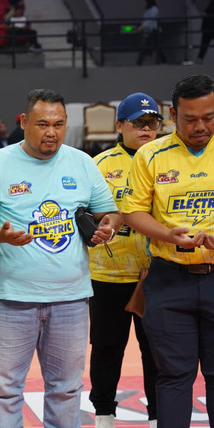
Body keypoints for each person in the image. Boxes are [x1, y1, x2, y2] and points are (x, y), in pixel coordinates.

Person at [0, 88, 121, 428]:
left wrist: (108, 227)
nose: (51, 132)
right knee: (5, 391)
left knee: (66, 390)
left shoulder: (82, 162)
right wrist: (1, 235)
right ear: (23, 123)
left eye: (58, 124)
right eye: (42, 124)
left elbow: (110, 213)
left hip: (70, 299)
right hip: (10, 299)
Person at [121, 74, 214, 427]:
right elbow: (132, 211)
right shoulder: (150, 155)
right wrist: (169, 235)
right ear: (173, 115)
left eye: (209, 116)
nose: (201, 126)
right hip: (169, 280)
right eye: (191, 119)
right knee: (174, 376)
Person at [89, 92, 161, 428]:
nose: (146, 129)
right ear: (120, 126)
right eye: (138, 122)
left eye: (152, 122)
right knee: (107, 348)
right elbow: (86, 213)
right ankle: (104, 414)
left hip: (158, 274)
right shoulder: (100, 164)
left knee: (157, 351)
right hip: (108, 273)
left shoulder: (165, 159)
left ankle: (158, 416)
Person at [136, 0, 167, 66]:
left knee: (156, 46)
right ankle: (139, 62)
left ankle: (164, 61)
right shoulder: (148, 10)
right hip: (147, 31)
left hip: (153, 30)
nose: (145, 3)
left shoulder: (154, 9)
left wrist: (142, 26)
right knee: (144, 46)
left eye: (146, 2)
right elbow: (146, 19)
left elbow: (150, 20)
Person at [196, 0, 214, 64]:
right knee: (204, 44)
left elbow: (206, 13)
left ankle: (199, 59)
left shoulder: (211, 4)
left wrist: (205, 13)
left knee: (204, 44)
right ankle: (199, 59)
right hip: (207, 27)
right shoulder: (209, 4)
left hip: (209, 27)